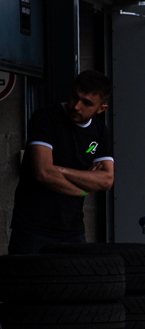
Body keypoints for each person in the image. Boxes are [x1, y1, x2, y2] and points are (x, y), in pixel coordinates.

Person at [9, 71, 115, 254]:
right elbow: (43, 173)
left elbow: (106, 180)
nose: (76, 106)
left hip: (73, 230)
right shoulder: (46, 118)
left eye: (87, 103)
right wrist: (82, 190)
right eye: (75, 96)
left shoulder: (100, 132)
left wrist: (61, 170)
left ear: (101, 109)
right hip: (32, 229)